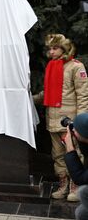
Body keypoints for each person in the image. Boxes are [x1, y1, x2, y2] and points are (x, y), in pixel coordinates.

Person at [33, 34, 88, 201]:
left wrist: (80, 122)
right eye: (49, 48)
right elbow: (47, 93)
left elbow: (83, 95)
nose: (51, 51)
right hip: (53, 119)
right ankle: (63, 184)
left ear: (64, 48)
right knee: (57, 155)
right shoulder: (52, 66)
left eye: (55, 48)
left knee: (75, 153)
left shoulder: (76, 67)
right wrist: (30, 99)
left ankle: (76, 186)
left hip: (70, 120)